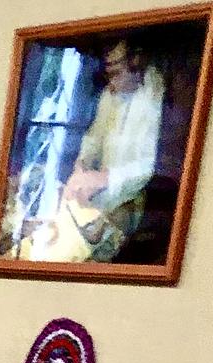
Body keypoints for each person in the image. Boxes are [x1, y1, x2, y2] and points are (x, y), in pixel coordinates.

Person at [17, 39, 164, 262]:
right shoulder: (110, 94)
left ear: (137, 62)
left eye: (116, 73)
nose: (111, 82)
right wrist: (82, 165)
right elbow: (94, 138)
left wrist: (104, 179)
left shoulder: (154, 94)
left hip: (132, 202)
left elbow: (150, 167)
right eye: (108, 74)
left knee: (71, 251)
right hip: (98, 197)